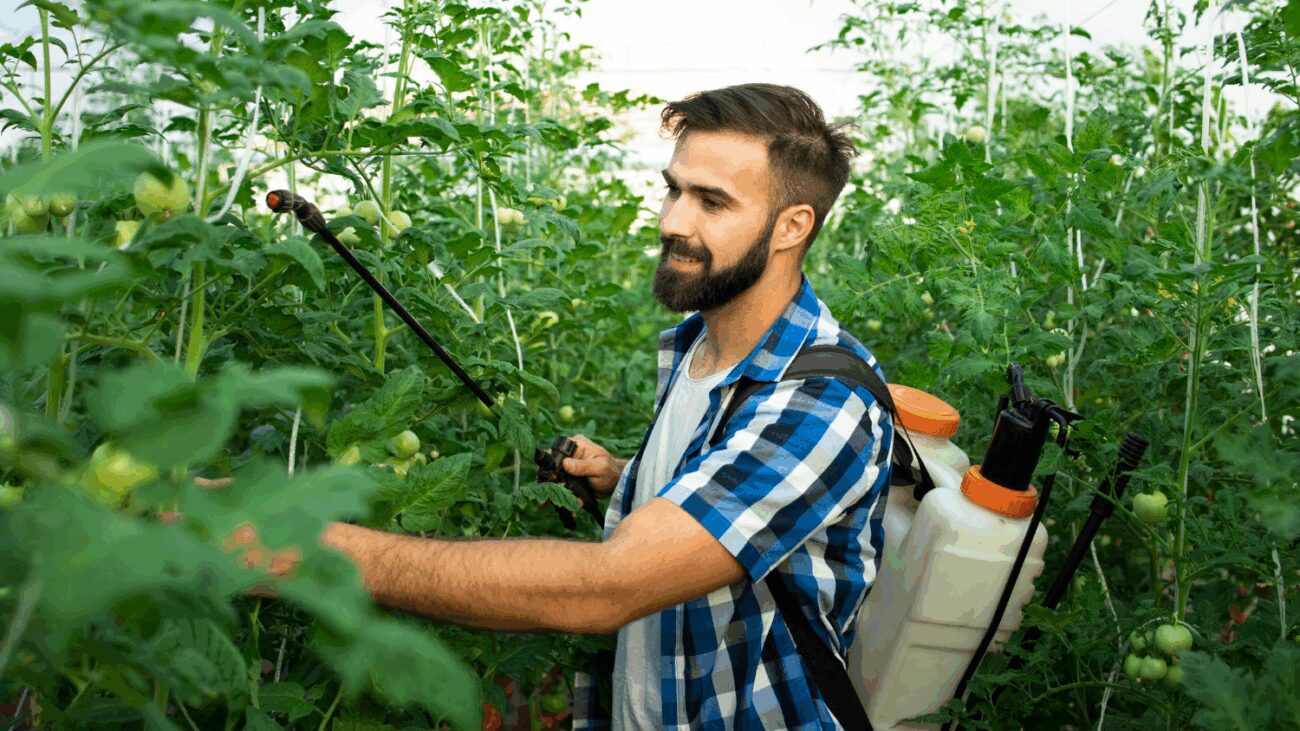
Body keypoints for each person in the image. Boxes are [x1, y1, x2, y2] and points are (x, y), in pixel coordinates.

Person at [321, 83, 894, 729]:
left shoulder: (822, 400)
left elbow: (607, 586)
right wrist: (624, 477)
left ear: (791, 226)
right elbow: (731, 495)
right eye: (674, 189)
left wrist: (308, 550)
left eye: (712, 202)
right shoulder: (699, 346)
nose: (673, 221)